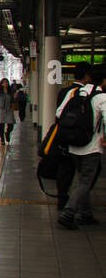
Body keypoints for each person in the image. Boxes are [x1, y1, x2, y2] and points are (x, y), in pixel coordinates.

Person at [55, 64, 106, 229]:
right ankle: (68, 213)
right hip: (91, 146)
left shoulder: (75, 92)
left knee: (82, 178)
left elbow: (59, 113)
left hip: (73, 145)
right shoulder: (101, 97)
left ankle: (85, 214)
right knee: (86, 181)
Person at [55, 64, 92, 209]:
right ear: (87, 76)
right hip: (78, 137)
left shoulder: (63, 91)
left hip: (63, 136)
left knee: (65, 169)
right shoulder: (82, 92)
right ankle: (76, 204)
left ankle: (63, 199)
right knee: (86, 174)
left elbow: (58, 114)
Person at [0, 78, 15, 146]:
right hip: (1, 110)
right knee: (1, 125)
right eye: (4, 82)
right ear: (1, 84)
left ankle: (7, 133)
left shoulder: (10, 92)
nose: (5, 83)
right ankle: (2, 140)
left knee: (11, 125)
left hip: (9, 110)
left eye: (6, 82)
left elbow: (13, 100)